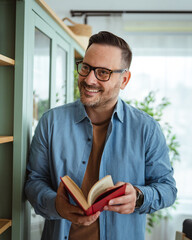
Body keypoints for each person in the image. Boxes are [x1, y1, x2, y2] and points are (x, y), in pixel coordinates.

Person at [25, 31, 177, 240]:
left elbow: (168, 189)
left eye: (103, 72)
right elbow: (34, 182)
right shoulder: (50, 122)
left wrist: (139, 197)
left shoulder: (147, 129)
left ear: (124, 79)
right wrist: (55, 204)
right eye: (86, 67)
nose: (89, 79)